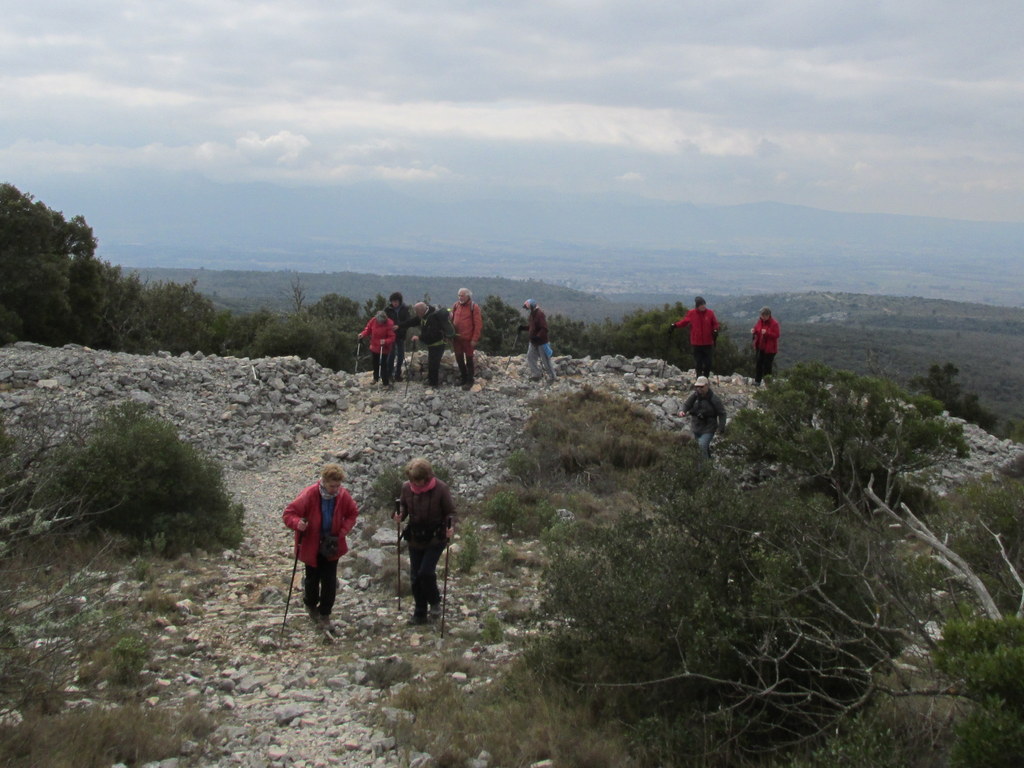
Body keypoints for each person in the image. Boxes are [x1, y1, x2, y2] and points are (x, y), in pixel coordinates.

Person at [282, 464, 360, 631]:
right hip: (311, 543)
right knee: (312, 578)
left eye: (338, 485)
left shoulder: (342, 495)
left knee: (330, 580)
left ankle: (325, 613)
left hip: (331, 544)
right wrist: (298, 523)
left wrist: (342, 531)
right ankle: (310, 604)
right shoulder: (310, 494)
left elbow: (353, 513)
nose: (335, 489)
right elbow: (289, 513)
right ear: (323, 481)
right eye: (332, 486)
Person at [392, 458, 456, 625]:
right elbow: (403, 507)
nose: (416, 484)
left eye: (418, 481)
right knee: (415, 577)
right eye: (413, 480)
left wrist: (450, 527)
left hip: (436, 537)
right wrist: (398, 514)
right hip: (415, 537)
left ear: (427, 477)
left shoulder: (441, 488)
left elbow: (450, 512)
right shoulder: (406, 488)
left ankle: (434, 602)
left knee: (425, 572)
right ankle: (419, 613)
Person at [397, 302, 454, 386]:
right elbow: (412, 321)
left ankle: (434, 384)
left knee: (434, 364)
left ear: (421, 311)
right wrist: (399, 326)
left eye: (417, 312)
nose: (416, 314)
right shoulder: (424, 315)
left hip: (438, 344)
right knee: (431, 363)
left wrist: (419, 337)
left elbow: (433, 333)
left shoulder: (432, 318)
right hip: (433, 344)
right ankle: (431, 381)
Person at [668, 296, 720, 379]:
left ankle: (705, 378)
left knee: (708, 363)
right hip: (696, 343)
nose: (703, 306)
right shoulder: (692, 313)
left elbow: (715, 324)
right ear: (697, 306)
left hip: (708, 342)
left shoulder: (710, 313)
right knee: (698, 362)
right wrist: (675, 325)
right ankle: (699, 379)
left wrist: (715, 330)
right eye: (701, 305)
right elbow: (684, 322)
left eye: (704, 304)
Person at [678, 376, 727, 460]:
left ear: (707, 386)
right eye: (697, 386)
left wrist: (721, 428)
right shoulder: (694, 396)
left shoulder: (714, 399)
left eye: (701, 387)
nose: (699, 389)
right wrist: (683, 411)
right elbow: (687, 405)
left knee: (701, 446)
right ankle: (708, 465)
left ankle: (705, 469)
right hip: (696, 427)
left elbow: (722, 413)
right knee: (702, 449)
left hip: (709, 428)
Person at [451, 288, 483, 389]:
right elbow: (452, 321)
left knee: (469, 359)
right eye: (459, 295)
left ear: (468, 296)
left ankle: (470, 381)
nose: (460, 297)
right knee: (459, 359)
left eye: (462, 295)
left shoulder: (474, 307)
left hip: (468, 339)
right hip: (457, 339)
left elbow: (478, 324)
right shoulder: (456, 305)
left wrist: (475, 338)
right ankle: (463, 378)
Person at [519, 299, 557, 382]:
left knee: (545, 360)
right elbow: (532, 327)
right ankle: (537, 374)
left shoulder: (540, 314)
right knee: (530, 357)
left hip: (541, 342)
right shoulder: (532, 314)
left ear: (532, 306)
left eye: (528, 308)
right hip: (533, 341)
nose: (527, 309)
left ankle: (552, 377)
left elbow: (544, 328)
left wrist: (538, 337)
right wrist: (523, 328)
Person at [358, 311, 396, 385]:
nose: (380, 322)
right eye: (379, 321)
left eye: (381, 321)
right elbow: (368, 329)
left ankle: (385, 382)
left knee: (383, 365)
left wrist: (385, 341)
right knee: (375, 363)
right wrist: (362, 334)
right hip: (374, 346)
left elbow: (392, 337)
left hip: (384, 348)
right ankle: (375, 378)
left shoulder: (389, 324)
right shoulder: (373, 320)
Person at [385, 292, 411, 383]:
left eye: (396, 301)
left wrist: (399, 326)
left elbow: (408, 321)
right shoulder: (388, 310)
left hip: (401, 335)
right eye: (393, 301)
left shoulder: (405, 309)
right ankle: (389, 374)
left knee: (400, 355)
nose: (394, 303)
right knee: (391, 355)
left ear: (400, 301)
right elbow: (385, 322)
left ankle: (398, 374)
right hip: (391, 335)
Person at [751, 306, 780, 386]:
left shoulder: (774, 323)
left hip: (770, 349)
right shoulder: (760, 321)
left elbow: (777, 335)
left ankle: (768, 383)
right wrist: (754, 331)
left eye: (764, 315)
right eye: (761, 315)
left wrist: (767, 333)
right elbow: (757, 329)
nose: (762, 317)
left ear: (768, 315)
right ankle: (757, 381)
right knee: (759, 364)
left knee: (767, 366)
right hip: (760, 347)